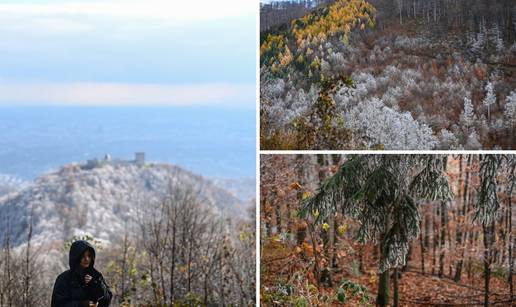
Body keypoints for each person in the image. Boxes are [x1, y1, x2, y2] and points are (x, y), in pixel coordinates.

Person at [51, 240, 112, 307]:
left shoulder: (96, 276)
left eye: (89, 256)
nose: (87, 259)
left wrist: (95, 284)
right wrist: (82, 304)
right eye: (83, 256)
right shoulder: (64, 279)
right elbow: (58, 304)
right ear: (76, 257)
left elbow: (107, 300)